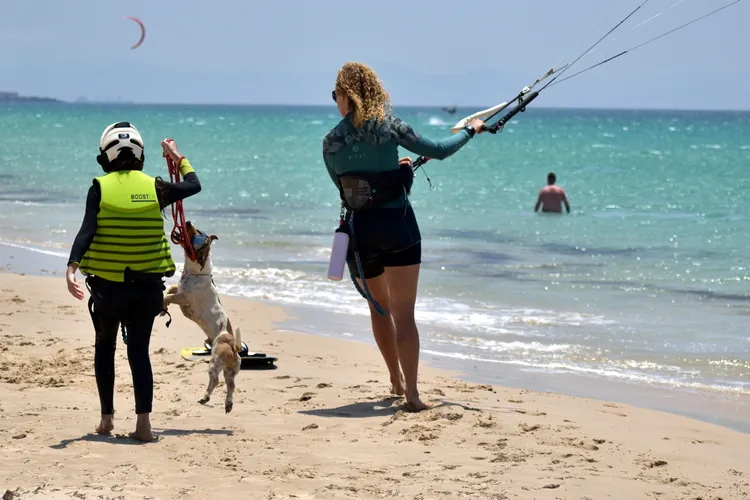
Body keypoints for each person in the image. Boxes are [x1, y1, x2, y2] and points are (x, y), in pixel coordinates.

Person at [322, 62, 485, 412]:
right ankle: (411, 394)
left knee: (379, 309)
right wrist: (471, 130)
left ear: (346, 95)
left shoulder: (331, 142)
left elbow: (348, 189)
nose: (335, 100)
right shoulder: (390, 127)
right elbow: (440, 149)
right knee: (404, 313)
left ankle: (394, 379)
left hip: (361, 233)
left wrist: (391, 176)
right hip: (398, 227)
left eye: (336, 94)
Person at [65, 122, 201, 442]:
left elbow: (86, 232)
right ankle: (143, 425)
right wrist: (178, 157)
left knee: (105, 348)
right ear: (139, 155)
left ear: (106, 157)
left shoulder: (99, 187)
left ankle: (106, 420)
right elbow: (193, 185)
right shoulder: (156, 187)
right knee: (139, 352)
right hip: (145, 291)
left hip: (108, 292)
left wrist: (72, 267)